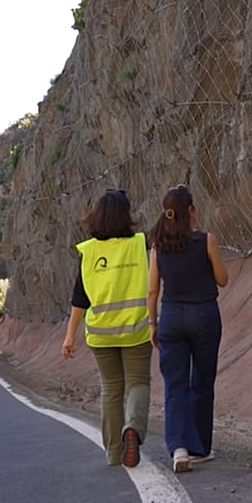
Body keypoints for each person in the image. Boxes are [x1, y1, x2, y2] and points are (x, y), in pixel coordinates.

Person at [62, 189, 152, 467]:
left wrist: (69, 337)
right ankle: (132, 428)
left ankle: (114, 452)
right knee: (138, 383)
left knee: (111, 389)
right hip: (136, 328)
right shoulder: (140, 244)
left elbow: (80, 299)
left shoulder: (88, 251)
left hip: (101, 333)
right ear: (126, 215)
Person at [147, 184, 229, 473]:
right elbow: (222, 279)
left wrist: (153, 324)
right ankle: (200, 448)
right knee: (202, 382)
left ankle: (179, 448)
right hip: (204, 315)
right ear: (191, 210)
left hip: (171, 317)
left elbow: (152, 291)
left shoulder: (158, 246)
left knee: (175, 384)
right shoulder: (207, 240)